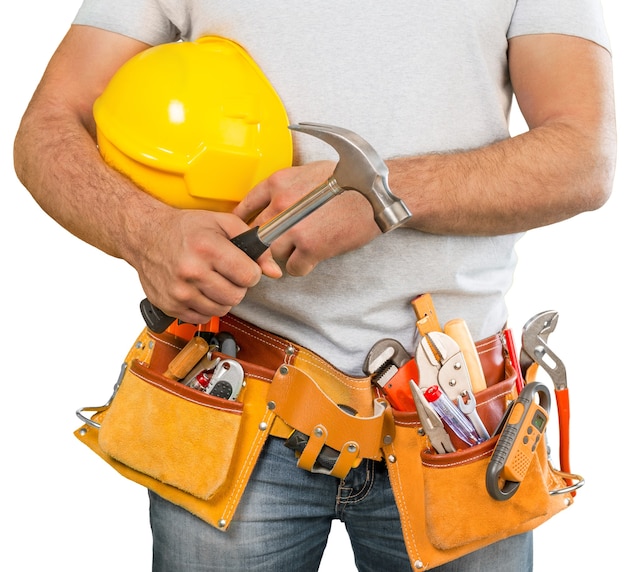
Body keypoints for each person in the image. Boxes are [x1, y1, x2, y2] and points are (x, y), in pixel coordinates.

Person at [14, 1, 616, 571]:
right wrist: (145, 232)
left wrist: (382, 194)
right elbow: (49, 123)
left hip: (455, 424)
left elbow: (583, 157)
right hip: (232, 397)